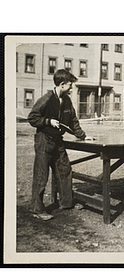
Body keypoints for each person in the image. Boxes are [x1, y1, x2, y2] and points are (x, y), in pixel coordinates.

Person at [28, 69, 91, 220]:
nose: (71, 88)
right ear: (62, 85)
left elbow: (73, 121)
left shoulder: (67, 101)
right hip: (44, 140)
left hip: (57, 141)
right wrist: (48, 121)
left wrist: (83, 136)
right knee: (41, 175)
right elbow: (32, 118)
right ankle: (37, 209)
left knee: (64, 170)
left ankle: (66, 202)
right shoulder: (46, 99)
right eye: (70, 85)